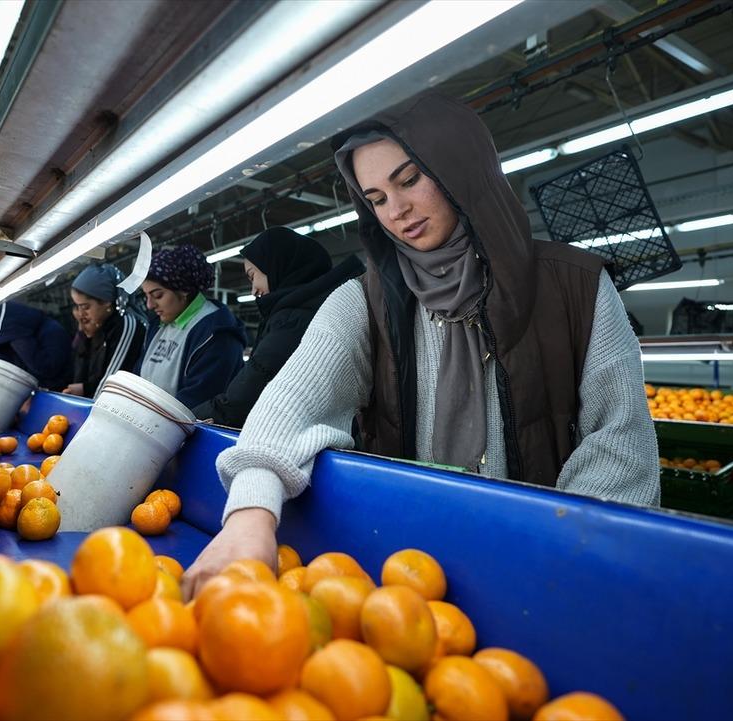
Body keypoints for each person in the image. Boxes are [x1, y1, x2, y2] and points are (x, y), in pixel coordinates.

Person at [182, 92, 661, 597]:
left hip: (545, 572)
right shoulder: (363, 303)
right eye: (376, 199)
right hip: (407, 576)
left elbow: (620, 446)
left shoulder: (577, 288)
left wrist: (554, 559)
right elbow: (290, 405)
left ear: (461, 169)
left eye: (409, 180)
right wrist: (250, 515)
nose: (397, 211)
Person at [193, 227, 364, 426]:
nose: (253, 290)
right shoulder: (313, 310)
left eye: (252, 276)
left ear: (277, 267)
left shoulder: (294, 321)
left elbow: (244, 397)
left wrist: (188, 418)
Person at [136, 244, 247, 409]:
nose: (150, 305)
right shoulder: (158, 326)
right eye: (146, 296)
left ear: (184, 290)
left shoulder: (217, 334)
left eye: (158, 295)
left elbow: (198, 402)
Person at [63, 263, 146, 398]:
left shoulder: (126, 325)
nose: (81, 313)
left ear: (106, 301)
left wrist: (86, 389)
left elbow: (114, 382)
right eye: (77, 307)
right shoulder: (99, 326)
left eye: (86, 307)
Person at [0, 301, 75, 390]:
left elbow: (47, 369)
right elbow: (6, 358)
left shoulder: (52, 331)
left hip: (61, 393)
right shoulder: (23, 335)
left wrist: (19, 339)